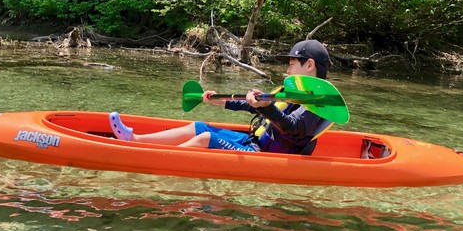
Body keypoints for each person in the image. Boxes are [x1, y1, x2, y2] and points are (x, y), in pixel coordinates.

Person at [109, 39, 333, 155]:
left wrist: (266, 108)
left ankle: (147, 159)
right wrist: (223, 101)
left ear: (310, 65)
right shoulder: (293, 91)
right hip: (253, 142)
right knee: (199, 127)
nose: (289, 69)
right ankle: (134, 141)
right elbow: (254, 106)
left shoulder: (320, 101)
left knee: (206, 139)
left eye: (292, 63)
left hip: (266, 155)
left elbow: (294, 128)